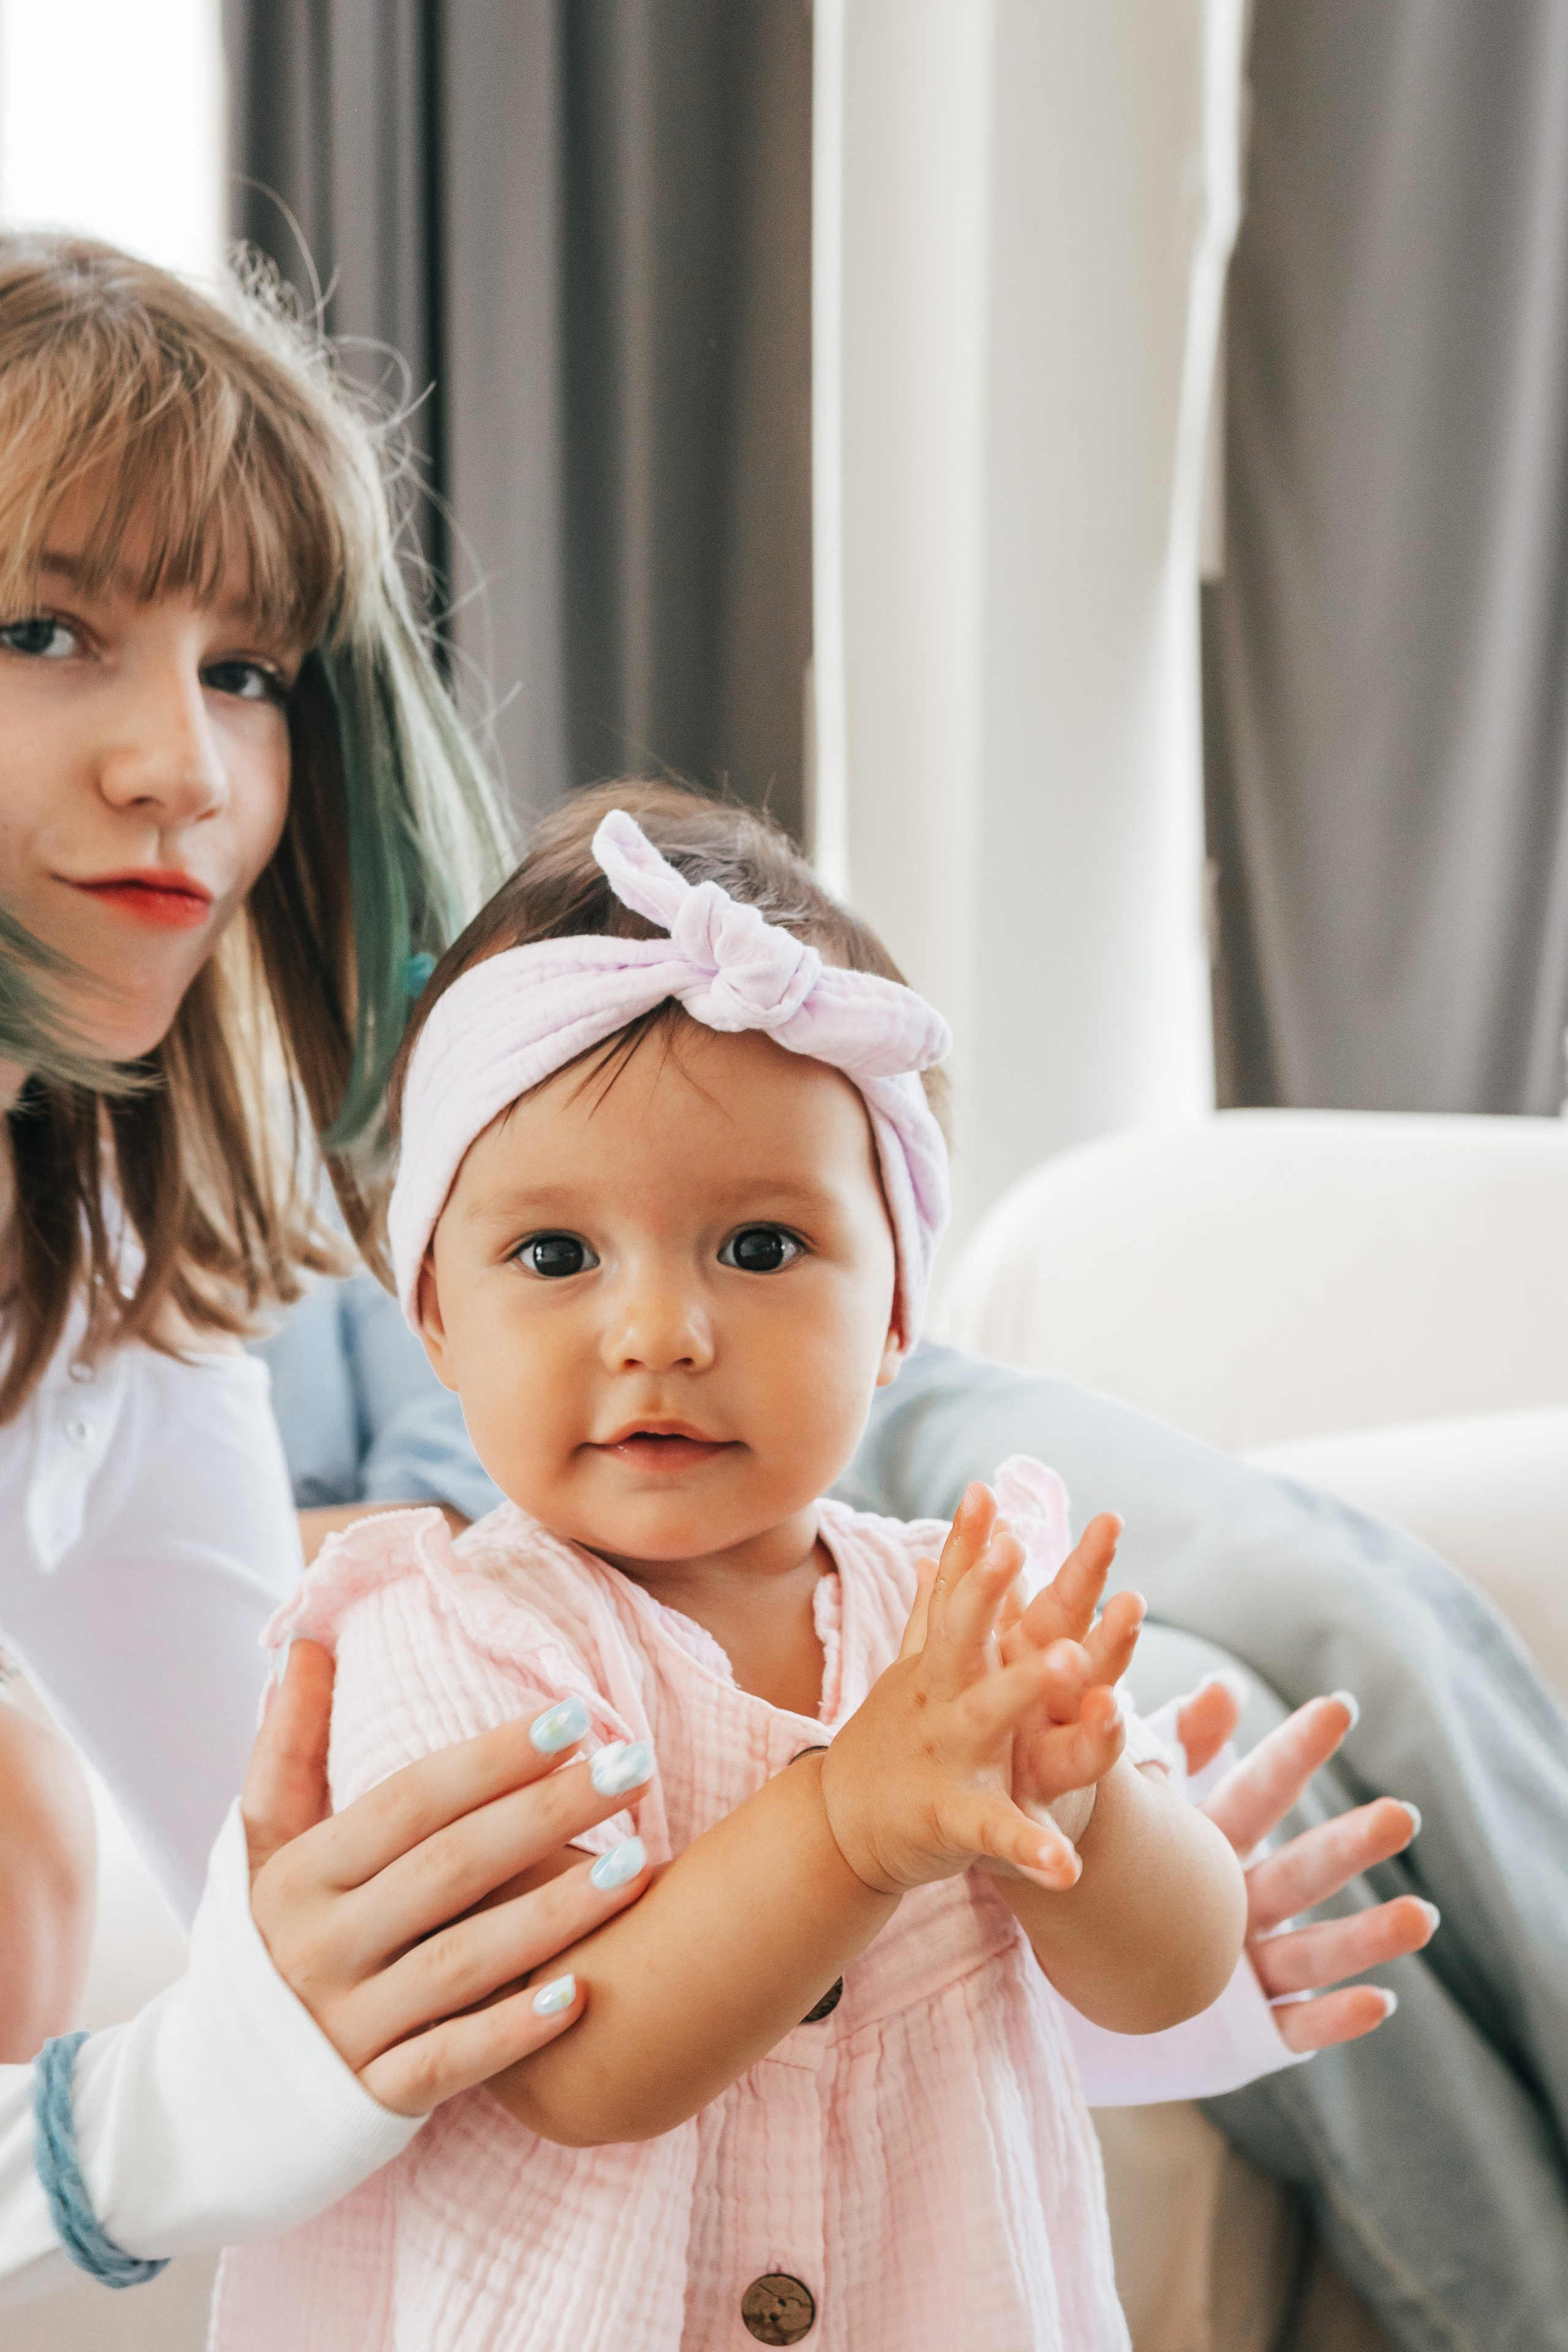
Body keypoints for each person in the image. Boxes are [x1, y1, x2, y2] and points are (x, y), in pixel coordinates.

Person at [212, 790, 1433, 2352]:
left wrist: (1085, 1816)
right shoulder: (443, 1642)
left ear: (900, 1308)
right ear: (436, 1316)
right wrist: (854, 1821)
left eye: (762, 1247)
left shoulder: (965, 1604)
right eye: (556, 1257)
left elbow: (1164, 1978)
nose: (659, 1331)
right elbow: (576, 2068)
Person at [0, 228, 664, 2295]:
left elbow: (323, 1831)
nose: (185, 772)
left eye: (248, 671)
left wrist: (1039, 1883)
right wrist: (146, 2135)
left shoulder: (107, 1251)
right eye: (42, 631)